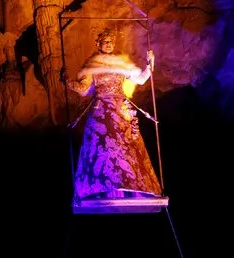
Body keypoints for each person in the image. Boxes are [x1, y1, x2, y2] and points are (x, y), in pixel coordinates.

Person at [63, 28, 162, 201]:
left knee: (126, 149)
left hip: (120, 110)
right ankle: (103, 189)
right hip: (101, 112)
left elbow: (140, 79)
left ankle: (131, 187)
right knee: (103, 149)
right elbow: (83, 89)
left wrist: (150, 64)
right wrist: (67, 81)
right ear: (99, 44)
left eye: (110, 42)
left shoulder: (121, 63)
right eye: (105, 42)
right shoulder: (93, 64)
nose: (108, 44)